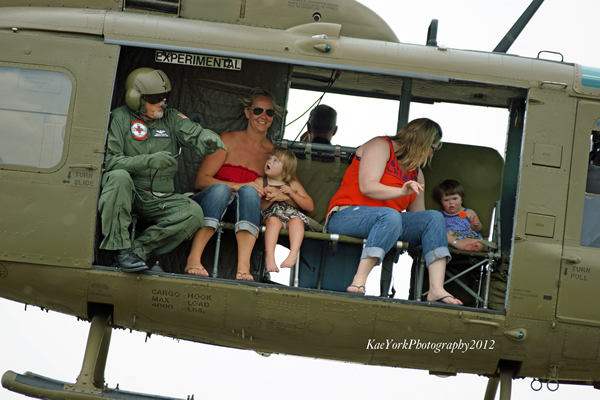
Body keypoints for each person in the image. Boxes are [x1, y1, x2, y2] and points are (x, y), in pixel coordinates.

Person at [98, 67, 225, 272]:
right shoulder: (120, 117)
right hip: (129, 192)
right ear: (136, 98)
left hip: (160, 198)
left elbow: (193, 133)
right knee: (118, 177)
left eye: (165, 96)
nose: (162, 102)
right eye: (155, 98)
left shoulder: (171, 118)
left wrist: (207, 139)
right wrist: (148, 161)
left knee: (193, 213)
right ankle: (119, 248)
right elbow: (112, 161)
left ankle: (136, 252)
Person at [325, 118, 462, 304]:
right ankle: (359, 279)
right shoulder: (381, 146)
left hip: (389, 222)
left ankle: (436, 288)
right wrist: (401, 191)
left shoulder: (417, 173)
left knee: (433, 217)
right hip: (347, 215)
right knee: (390, 215)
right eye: (433, 149)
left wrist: (458, 242)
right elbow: (367, 186)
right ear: (423, 142)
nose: (431, 155)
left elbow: (420, 220)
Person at [187, 88, 282, 280]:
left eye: (269, 112)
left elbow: (297, 190)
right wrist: (235, 186)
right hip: (212, 201)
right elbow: (201, 180)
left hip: (241, 208)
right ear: (247, 112)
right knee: (222, 189)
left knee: (249, 192)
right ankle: (193, 259)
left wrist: (281, 194)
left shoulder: (274, 154)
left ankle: (243, 267)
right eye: (258, 110)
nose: (263, 116)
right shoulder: (227, 139)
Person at [254, 147, 315, 273]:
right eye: (269, 158)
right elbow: (256, 207)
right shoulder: (260, 182)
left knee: (297, 221)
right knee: (273, 221)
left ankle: (293, 254)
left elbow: (309, 206)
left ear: (286, 170)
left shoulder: (293, 185)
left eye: (275, 160)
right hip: (271, 216)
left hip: (290, 216)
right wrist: (268, 198)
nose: (269, 161)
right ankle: (270, 257)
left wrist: (292, 194)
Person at [433, 179, 485, 251]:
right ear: (441, 202)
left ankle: (472, 248)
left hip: (469, 239)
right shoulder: (440, 216)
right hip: (452, 242)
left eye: (454, 199)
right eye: (446, 200)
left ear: (461, 199)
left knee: (480, 243)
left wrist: (476, 225)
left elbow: (478, 230)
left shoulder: (469, 212)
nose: (451, 202)